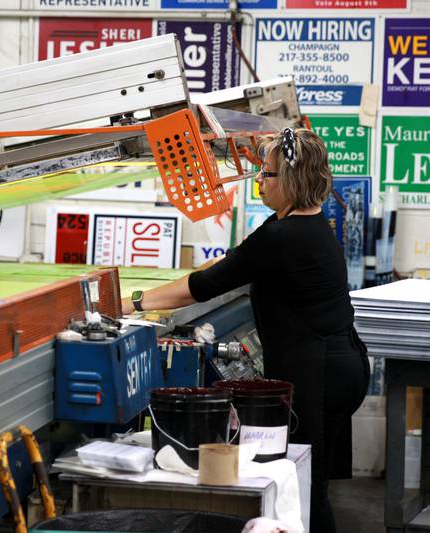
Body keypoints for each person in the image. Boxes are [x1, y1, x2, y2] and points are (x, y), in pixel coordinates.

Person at [121, 128, 370, 533]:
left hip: (319, 373)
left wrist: (132, 302)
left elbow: (202, 287)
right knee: (310, 480)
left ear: (291, 181)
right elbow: (233, 264)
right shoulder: (306, 224)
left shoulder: (282, 236)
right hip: (341, 366)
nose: (258, 181)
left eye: (267, 174)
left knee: (304, 487)